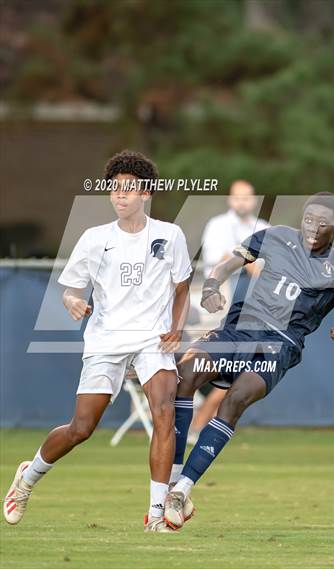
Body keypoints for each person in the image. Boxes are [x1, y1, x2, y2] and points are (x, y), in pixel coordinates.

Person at [3, 150, 192, 533]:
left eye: (129, 189)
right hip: (106, 338)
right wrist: (74, 301)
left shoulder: (169, 235)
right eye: (115, 189)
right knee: (82, 428)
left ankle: (155, 514)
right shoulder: (94, 239)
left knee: (164, 413)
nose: (120, 196)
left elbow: (183, 287)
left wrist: (176, 327)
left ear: (146, 193)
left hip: (152, 339)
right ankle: (28, 477)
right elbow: (70, 289)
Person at [163, 192, 334, 529]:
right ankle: (172, 477)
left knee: (235, 399)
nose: (313, 227)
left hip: (279, 346)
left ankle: (182, 490)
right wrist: (212, 285)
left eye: (322, 223)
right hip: (240, 329)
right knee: (184, 376)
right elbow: (227, 264)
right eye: (308, 219)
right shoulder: (275, 237)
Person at [188, 181, 270, 440]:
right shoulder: (218, 225)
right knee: (200, 362)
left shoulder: (265, 228)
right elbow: (218, 262)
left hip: (252, 310)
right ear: (229, 200)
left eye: (247, 197)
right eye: (237, 197)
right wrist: (246, 263)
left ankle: (199, 423)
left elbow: (269, 270)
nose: (242, 202)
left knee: (237, 368)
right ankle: (189, 417)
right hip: (218, 304)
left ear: (254, 200)